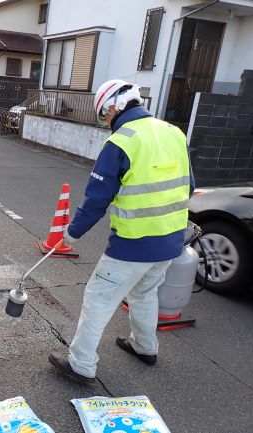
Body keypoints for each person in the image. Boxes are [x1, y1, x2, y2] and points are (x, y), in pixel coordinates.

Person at [49, 79, 195, 384]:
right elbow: (190, 186)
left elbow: (97, 200)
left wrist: (71, 235)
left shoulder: (121, 141)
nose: (105, 122)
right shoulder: (174, 133)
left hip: (133, 244)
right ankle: (145, 347)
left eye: (104, 115)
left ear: (114, 107)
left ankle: (81, 363)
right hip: (171, 241)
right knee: (144, 292)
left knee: (98, 298)